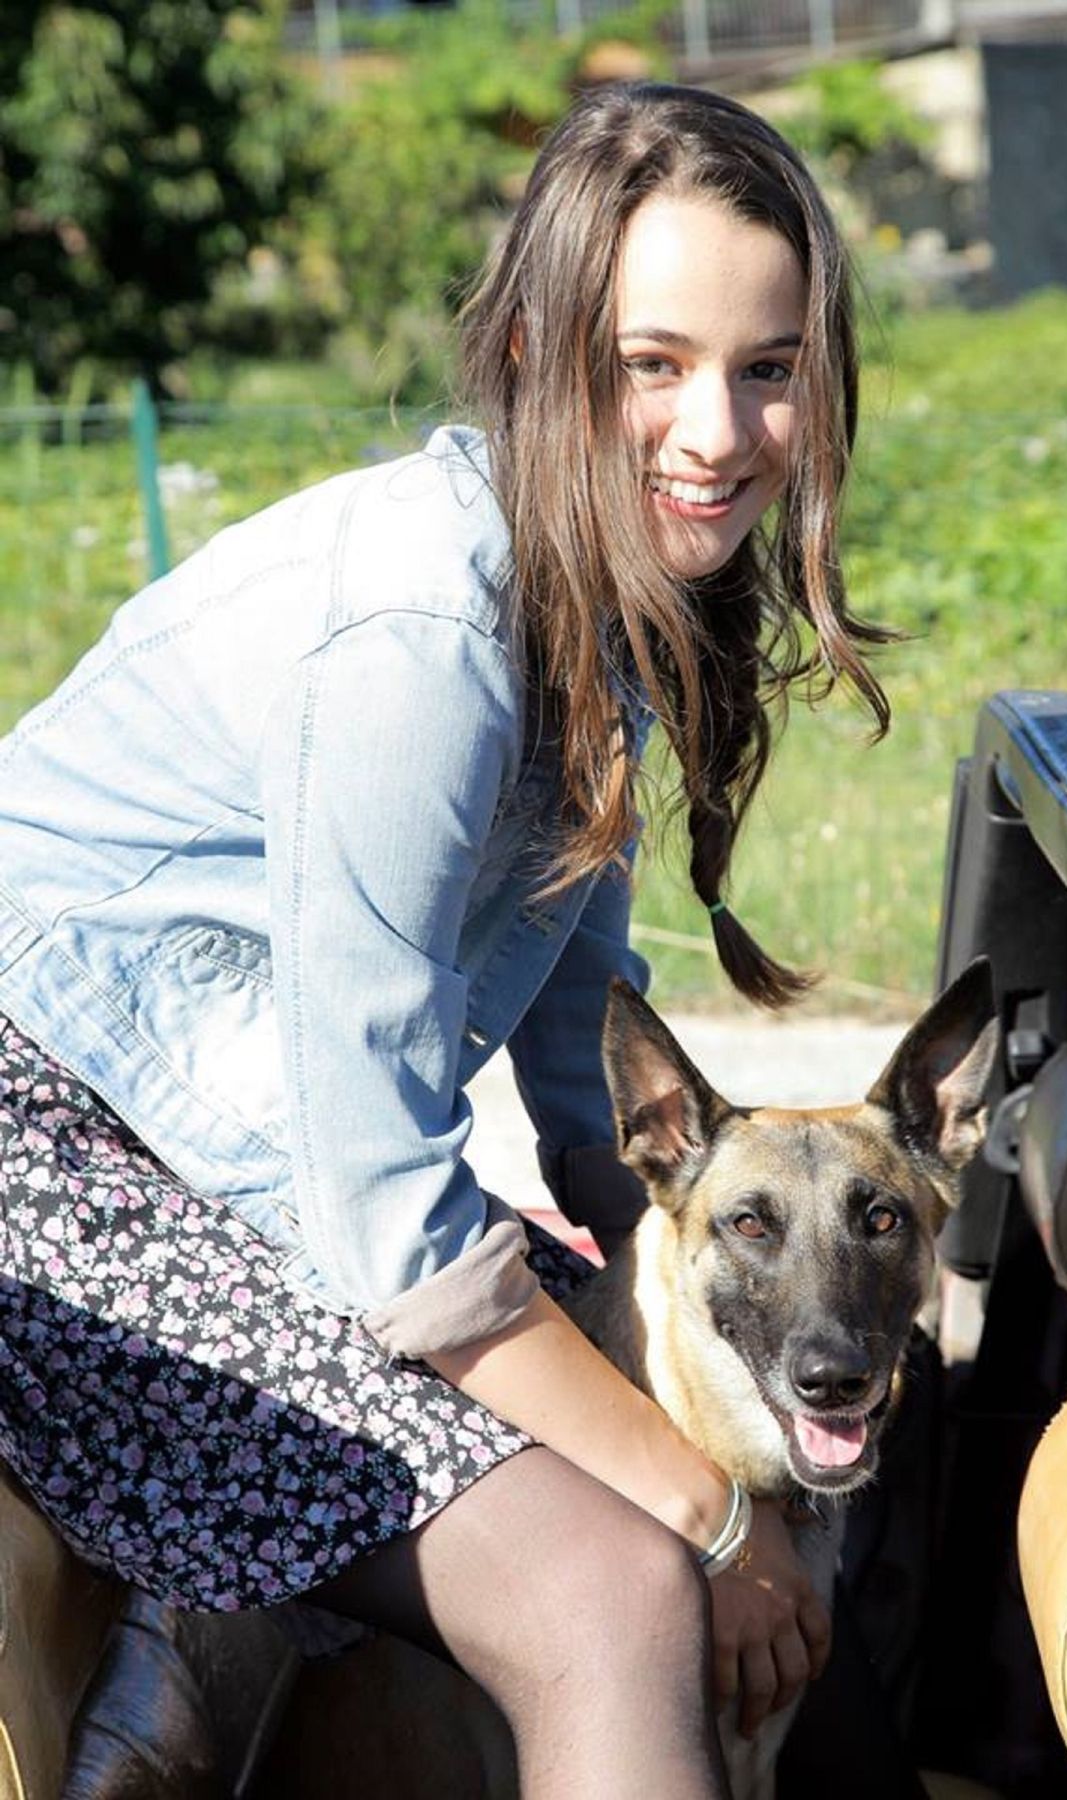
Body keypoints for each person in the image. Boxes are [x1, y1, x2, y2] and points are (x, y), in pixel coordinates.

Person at [0, 82, 889, 1797]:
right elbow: (388, 1218)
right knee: (612, 1592)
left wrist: (674, 1283)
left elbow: (578, 1044)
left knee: (725, 1441)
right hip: (53, 1159)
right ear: (543, 355)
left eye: (768, 368)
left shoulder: (606, 599)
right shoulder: (428, 632)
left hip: (225, 1165)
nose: (718, 431)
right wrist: (706, 1518)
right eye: (653, 363)